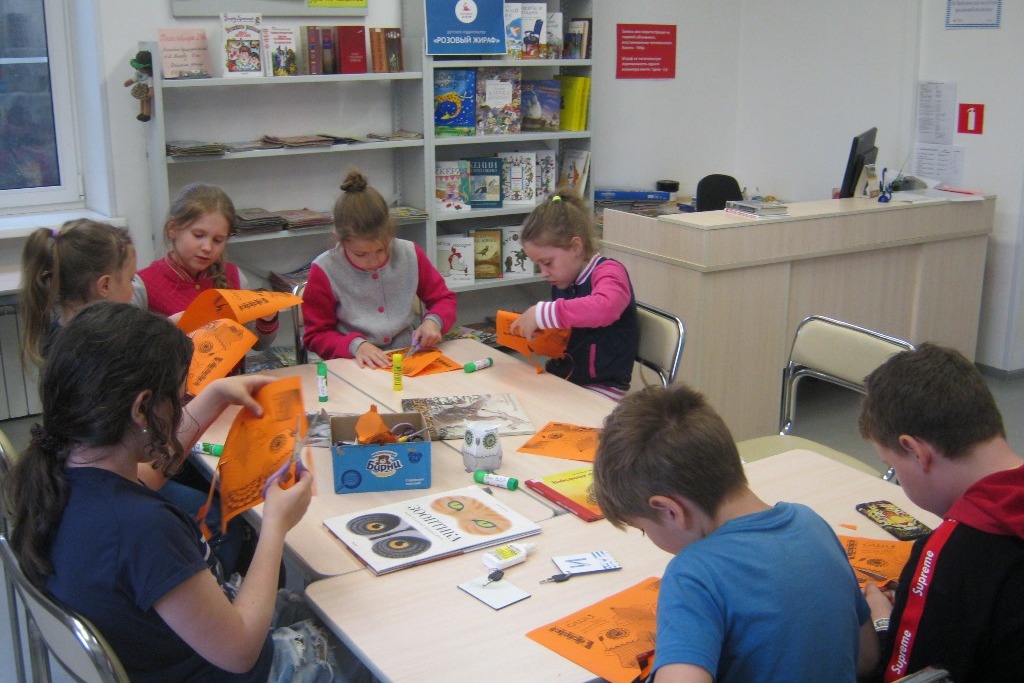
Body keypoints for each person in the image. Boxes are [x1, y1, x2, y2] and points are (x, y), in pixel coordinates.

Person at [3, 302, 314, 682]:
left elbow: (147, 475)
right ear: (142, 409)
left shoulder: (63, 473)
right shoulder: (143, 530)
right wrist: (275, 526)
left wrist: (213, 397)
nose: (183, 408)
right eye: (180, 399)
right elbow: (241, 651)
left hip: (170, 650)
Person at [592, 384, 877, 682]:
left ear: (669, 510)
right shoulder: (812, 523)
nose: (647, 536)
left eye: (643, 530)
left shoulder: (693, 575)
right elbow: (866, 657)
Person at [858, 343, 1024, 683]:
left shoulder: (949, 555)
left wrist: (883, 622)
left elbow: (907, 677)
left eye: (892, 465)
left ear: (915, 451)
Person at [302, 169, 457, 367]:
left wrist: (434, 321)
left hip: (407, 354)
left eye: (381, 250)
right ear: (340, 239)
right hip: (353, 362)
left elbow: (443, 298)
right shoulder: (325, 269)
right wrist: (355, 346)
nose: (373, 261)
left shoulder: (409, 253)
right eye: (360, 254)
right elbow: (316, 335)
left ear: (389, 234)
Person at [509, 188, 638, 400]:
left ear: (576, 247)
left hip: (602, 388)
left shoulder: (609, 271)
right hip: (567, 378)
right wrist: (544, 337)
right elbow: (569, 331)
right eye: (538, 265)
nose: (544, 273)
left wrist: (545, 314)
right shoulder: (564, 279)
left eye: (547, 262)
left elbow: (606, 307)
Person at [133, 181, 279, 349]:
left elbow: (258, 343)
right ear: (173, 229)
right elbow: (127, 352)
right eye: (198, 235)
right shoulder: (143, 285)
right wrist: (168, 329)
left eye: (218, 240)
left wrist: (267, 320)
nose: (207, 247)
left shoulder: (234, 276)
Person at [19, 219, 136, 368]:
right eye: (131, 280)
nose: (133, 289)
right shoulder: (105, 349)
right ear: (105, 285)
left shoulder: (55, 338)